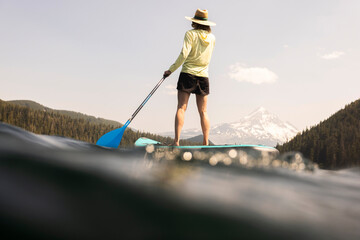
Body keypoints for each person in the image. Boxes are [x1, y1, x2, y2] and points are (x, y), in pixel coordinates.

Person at [164, 9, 216, 146]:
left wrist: (171, 70)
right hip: (204, 76)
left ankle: (176, 142)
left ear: (194, 21)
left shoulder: (190, 34)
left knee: (181, 107)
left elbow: (184, 54)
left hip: (187, 74)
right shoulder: (212, 38)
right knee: (204, 111)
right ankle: (206, 143)